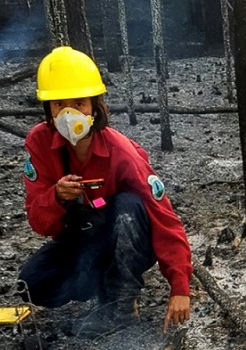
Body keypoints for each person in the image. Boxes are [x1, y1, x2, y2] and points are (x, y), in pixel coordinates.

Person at [17, 46, 191, 334]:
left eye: (79, 103)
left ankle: (120, 304)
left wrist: (179, 285)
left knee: (127, 206)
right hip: (84, 240)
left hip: (129, 239)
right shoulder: (39, 144)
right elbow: (39, 222)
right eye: (59, 104)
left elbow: (164, 217)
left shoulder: (121, 152)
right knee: (34, 282)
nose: (69, 113)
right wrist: (57, 197)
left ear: (95, 106)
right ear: (47, 109)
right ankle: (100, 287)